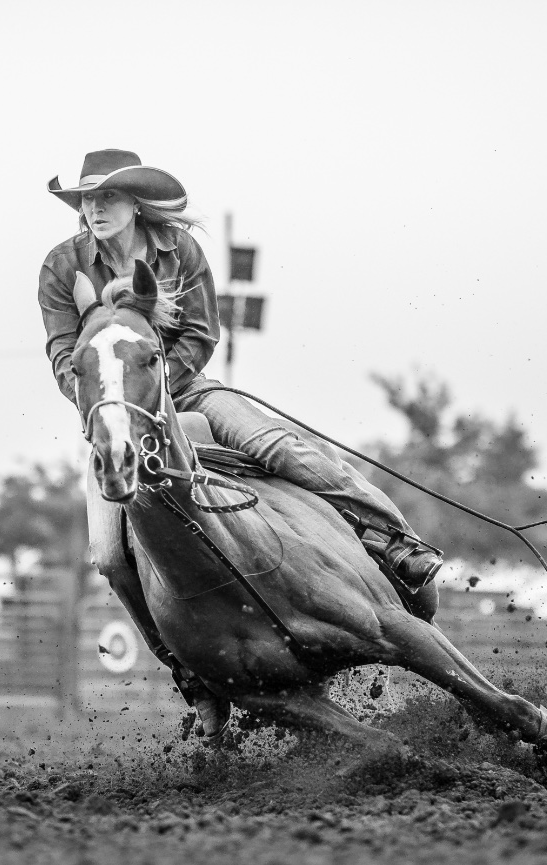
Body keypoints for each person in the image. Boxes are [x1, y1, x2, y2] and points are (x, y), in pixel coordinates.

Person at [39, 149, 443, 737]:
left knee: (286, 449)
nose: (94, 208)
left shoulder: (181, 252)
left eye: (107, 197)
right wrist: (116, 401)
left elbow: (201, 336)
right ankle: (193, 675)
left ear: (135, 203)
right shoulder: (60, 267)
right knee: (108, 555)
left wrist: (159, 393)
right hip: (115, 418)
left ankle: (394, 545)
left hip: (187, 393)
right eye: (87, 200)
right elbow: (62, 355)